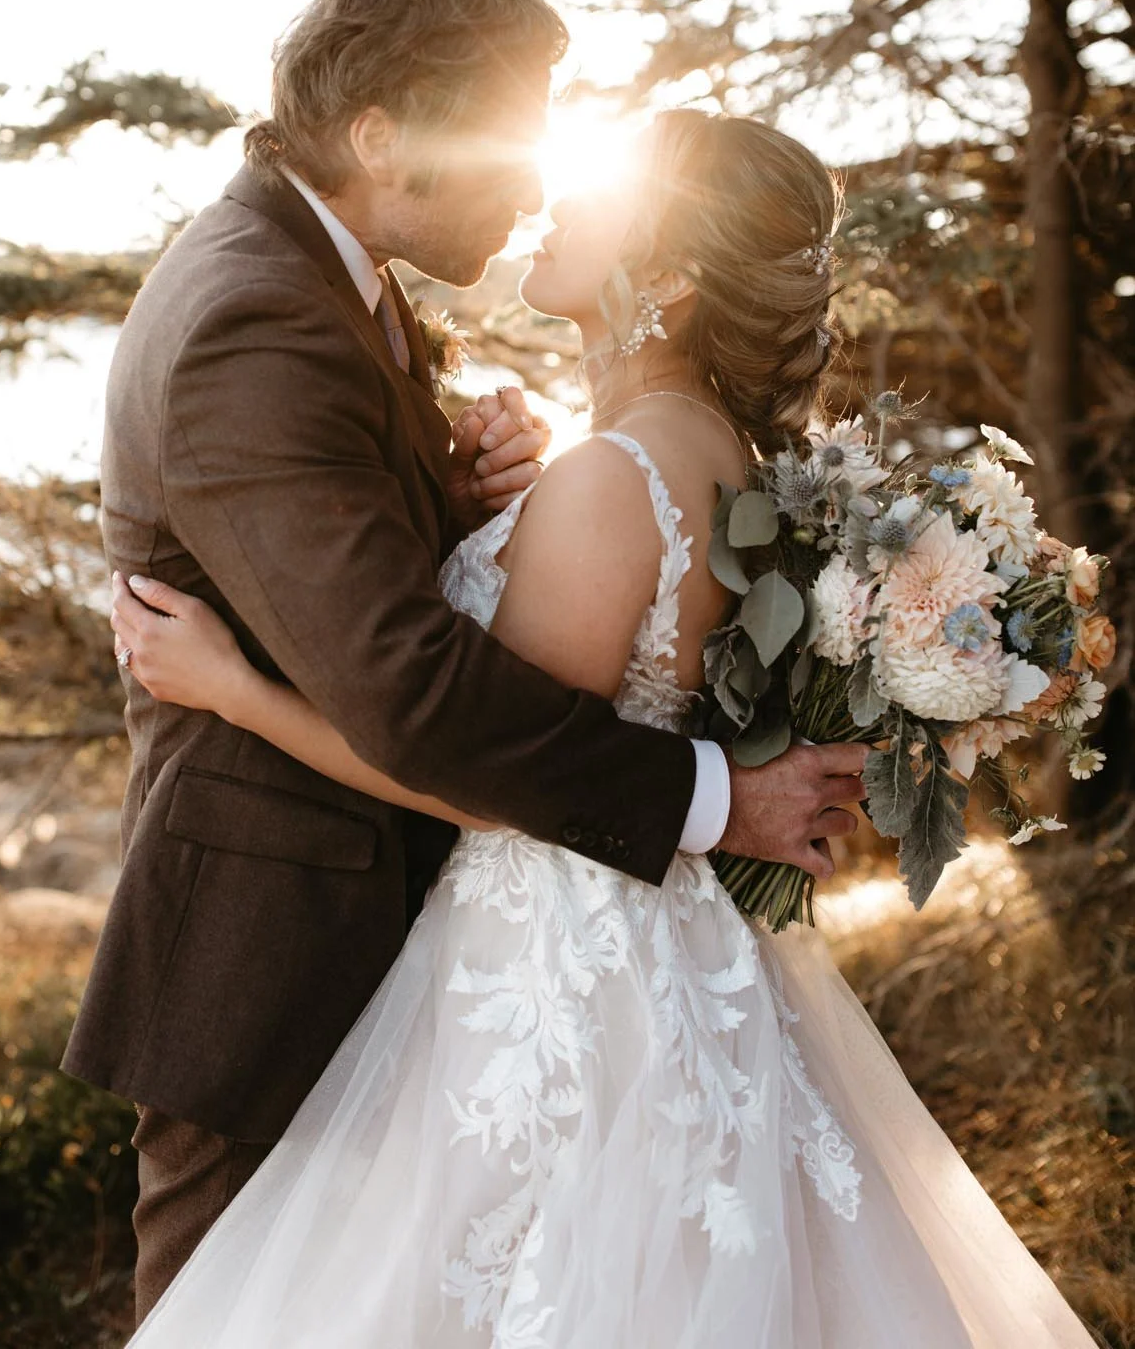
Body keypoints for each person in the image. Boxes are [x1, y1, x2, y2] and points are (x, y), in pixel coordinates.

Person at [110, 105, 1095, 1348]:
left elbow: (478, 774)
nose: (557, 203)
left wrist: (226, 683)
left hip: (551, 974)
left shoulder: (612, 475)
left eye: (603, 196)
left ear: (670, 277)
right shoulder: (721, 459)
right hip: (660, 946)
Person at [62, 0, 865, 1325]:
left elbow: (359, 565)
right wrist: (711, 799)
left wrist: (462, 491)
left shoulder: (327, 283)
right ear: (383, 137)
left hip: (462, 955)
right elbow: (414, 691)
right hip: (278, 955)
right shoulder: (251, 309)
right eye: (506, 150)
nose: (535, 187)